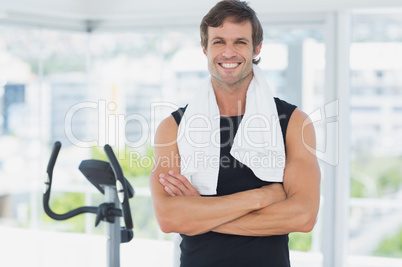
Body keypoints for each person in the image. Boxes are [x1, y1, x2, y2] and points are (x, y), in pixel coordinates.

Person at [150, 0, 321, 266]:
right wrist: (262, 196)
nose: (228, 53)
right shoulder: (172, 128)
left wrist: (201, 213)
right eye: (218, 42)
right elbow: (169, 218)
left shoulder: (294, 123)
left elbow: (303, 216)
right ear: (204, 49)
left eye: (240, 42)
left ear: (257, 48)